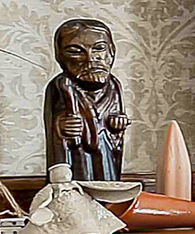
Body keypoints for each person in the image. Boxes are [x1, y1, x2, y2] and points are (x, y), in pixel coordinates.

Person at [45, 18, 131, 181]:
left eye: (99, 49)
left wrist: (117, 123)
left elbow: (116, 119)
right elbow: (52, 125)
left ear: (111, 51)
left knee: (107, 185)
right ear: (60, 56)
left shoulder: (114, 84)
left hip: (105, 154)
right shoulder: (59, 86)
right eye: (75, 51)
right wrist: (61, 127)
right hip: (77, 161)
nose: (90, 59)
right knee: (77, 191)